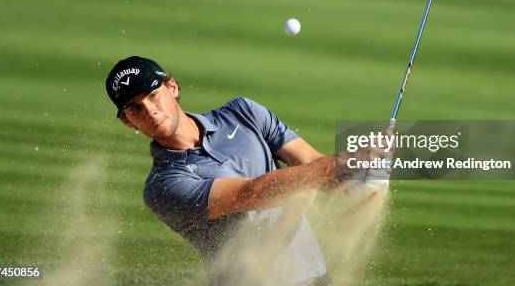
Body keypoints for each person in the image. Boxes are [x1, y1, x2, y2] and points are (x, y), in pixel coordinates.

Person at [105, 56, 388, 286]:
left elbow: (315, 168)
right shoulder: (163, 186)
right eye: (135, 108)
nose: (150, 110)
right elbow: (253, 192)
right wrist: (343, 162)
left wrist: (364, 173)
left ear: (173, 87)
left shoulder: (244, 113)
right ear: (128, 122)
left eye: (153, 95)